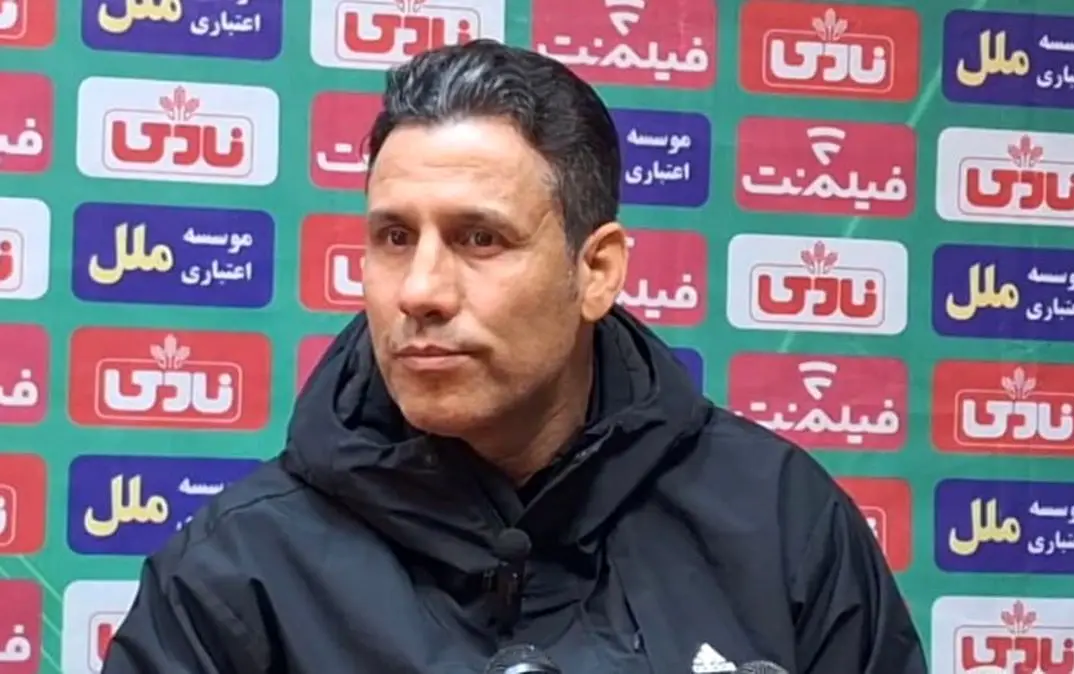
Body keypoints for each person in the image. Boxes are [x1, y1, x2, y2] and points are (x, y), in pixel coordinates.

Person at [102, 40, 927, 674]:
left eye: (480, 239)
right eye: (395, 237)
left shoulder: (779, 525)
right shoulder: (234, 572)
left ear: (596, 271)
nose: (421, 290)